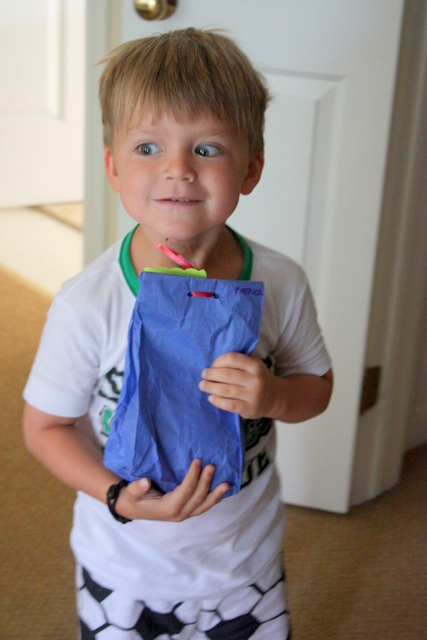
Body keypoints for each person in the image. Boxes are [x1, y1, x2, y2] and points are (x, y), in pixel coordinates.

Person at [23, 28, 333, 639]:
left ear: (251, 168)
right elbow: (44, 427)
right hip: (124, 569)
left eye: (208, 148)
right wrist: (117, 496)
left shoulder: (280, 282)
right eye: (147, 147)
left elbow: (316, 388)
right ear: (113, 167)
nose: (178, 170)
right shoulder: (88, 304)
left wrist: (274, 395)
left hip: (244, 564)